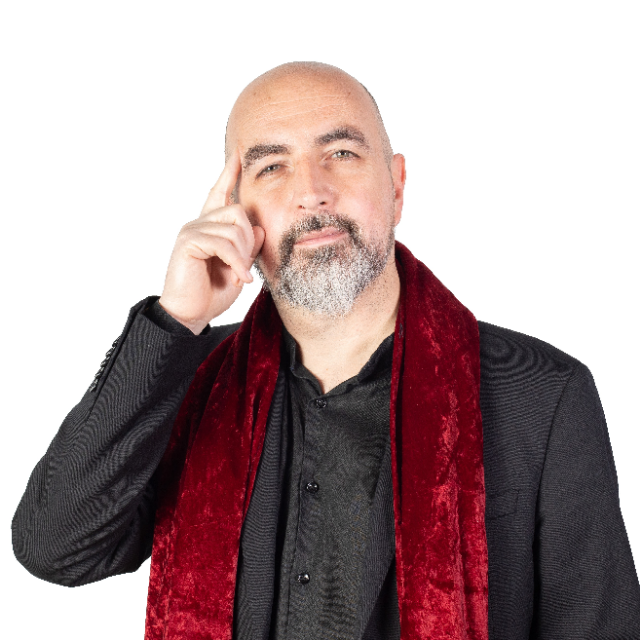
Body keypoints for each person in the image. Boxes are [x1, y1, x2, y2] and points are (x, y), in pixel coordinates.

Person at [12, 61, 640, 640]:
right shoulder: (191, 380)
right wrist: (175, 321)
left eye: (340, 153)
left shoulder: (542, 395)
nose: (311, 192)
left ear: (397, 185)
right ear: (233, 208)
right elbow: (55, 548)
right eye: (271, 167)